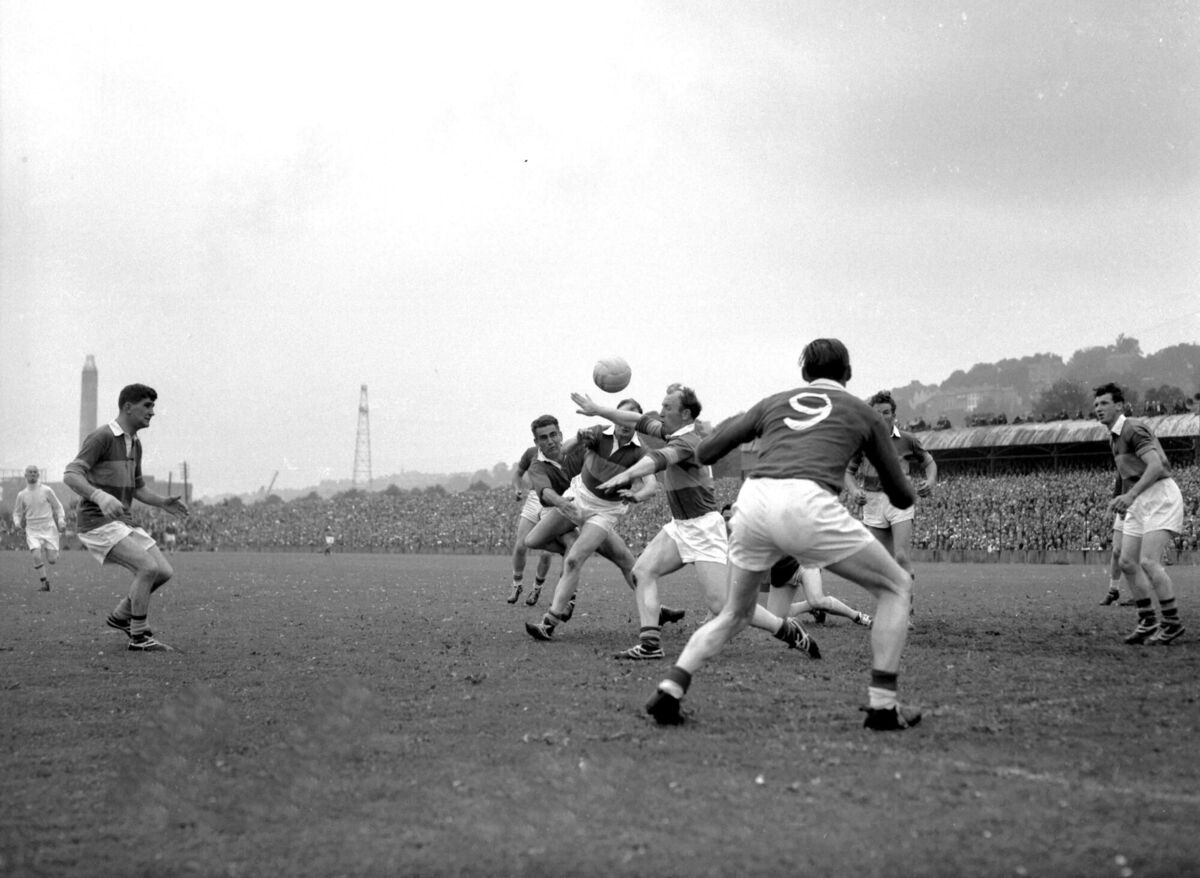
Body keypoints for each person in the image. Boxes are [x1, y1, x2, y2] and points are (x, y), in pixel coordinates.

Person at [645, 338, 920, 731]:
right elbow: (900, 492)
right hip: (809, 502)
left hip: (752, 502)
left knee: (734, 613)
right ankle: (883, 706)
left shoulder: (773, 402)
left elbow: (705, 452)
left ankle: (670, 689)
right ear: (848, 375)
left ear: (805, 375)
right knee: (896, 587)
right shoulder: (863, 413)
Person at [573, 385, 820, 661]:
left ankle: (786, 629)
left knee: (722, 604)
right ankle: (650, 645)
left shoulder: (689, 442)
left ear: (685, 413)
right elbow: (634, 420)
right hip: (680, 526)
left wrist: (626, 475)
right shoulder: (671, 431)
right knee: (641, 572)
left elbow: (657, 460)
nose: (661, 411)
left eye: (667, 407)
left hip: (703, 528)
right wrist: (597, 409)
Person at [63, 383, 188, 652]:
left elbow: (139, 487)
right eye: (147, 406)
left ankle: (121, 616)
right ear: (128, 407)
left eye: (153, 406)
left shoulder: (135, 444)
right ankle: (139, 637)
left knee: (163, 572)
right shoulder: (102, 437)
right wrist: (99, 496)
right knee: (147, 568)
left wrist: (162, 502)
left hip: (121, 521)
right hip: (96, 521)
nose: (153, 412)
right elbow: (71, 474)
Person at [525, 400, 664, 642]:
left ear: (637, 423)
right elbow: (566, 448)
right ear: (613, 417)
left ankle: (550, 622)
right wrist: (579, 438)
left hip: (604, 512)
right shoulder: (599, 433)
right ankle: (660, 612)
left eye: (630, 419)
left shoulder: (640, 452)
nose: (624, 423)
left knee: (574, 559)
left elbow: (651, 485)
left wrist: (637, 495)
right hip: (577, 500)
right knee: (533, 539)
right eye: (620, 416)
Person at [1093, 383, 1186, 645]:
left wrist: (1131, 496)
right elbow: (1127, 474)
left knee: (1148, 561)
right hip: (1138, 500)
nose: (1099, 409)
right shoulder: (1113, 437)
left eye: (1104, 404)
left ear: (1119, 406)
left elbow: (1156, 466)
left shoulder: (1132, 428)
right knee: (1126, 561)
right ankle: (1147, 621)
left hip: (1158, 496)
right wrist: (1122, 501)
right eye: (1096, 405)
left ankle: (1172, 622)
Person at [844, 390, 937, 625]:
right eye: (877, 414)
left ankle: (905, 609)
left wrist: (930, 480)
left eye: (886, 413)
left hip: (899, 499)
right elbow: (847, 473)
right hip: (873, 503)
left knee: (901, 555)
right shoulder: (863, 442)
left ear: (894, 415)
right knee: (882, 563)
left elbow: (929, 462)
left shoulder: (907, 439)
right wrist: (855, 491)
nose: (882, 417)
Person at [506, 440, 555, 606]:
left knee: (547, 552)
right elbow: (517, 474)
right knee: (520, 545)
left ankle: (537, 588)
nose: (548, 440)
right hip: (534, 497)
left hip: (554, 500)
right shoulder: (531, 453)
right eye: (542, 437)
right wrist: (517, 489)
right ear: (536, 439)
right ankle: (517, 584)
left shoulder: (564, 453)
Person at [12, 465, 66, 591]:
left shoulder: (47, 490)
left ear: (38, 475)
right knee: (36, 555)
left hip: (48, 526)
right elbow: (17, 513)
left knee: (52, 560)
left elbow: (58, 506)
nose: (32, 474)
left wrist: (61, 519)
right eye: (30, 472)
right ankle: (44, 583)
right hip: (32, 528)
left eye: (35, 472)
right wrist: (17, 522)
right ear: (25, 475)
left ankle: (55, 549)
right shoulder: (22, 495)